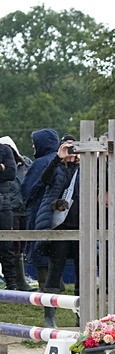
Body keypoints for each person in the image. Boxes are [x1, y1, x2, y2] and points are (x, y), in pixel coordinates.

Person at [34, 136, 81, 327]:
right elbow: (44, 180)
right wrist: (57, 157)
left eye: (73, 148)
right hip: (59, 227)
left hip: (81, 227)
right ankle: (49, 317)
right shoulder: (57, 168)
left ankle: (80, 315)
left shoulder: (85, 169)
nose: (70, 152)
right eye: (67, 147)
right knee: (55, 272)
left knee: (83, 274)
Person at [21, 128, 59, 290]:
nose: (33, 147)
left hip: (39, 213)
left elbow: (28, 190)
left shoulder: (40, 163)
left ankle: (45, 287)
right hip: (58, 214)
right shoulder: (60, 160)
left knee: (39, 250)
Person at [0, 138, 33, 291]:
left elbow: (10, 173)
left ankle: (12, 283)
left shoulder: (4, 149)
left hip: (4, 204)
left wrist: (4, 168)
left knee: (7, 245)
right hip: (6, 201)